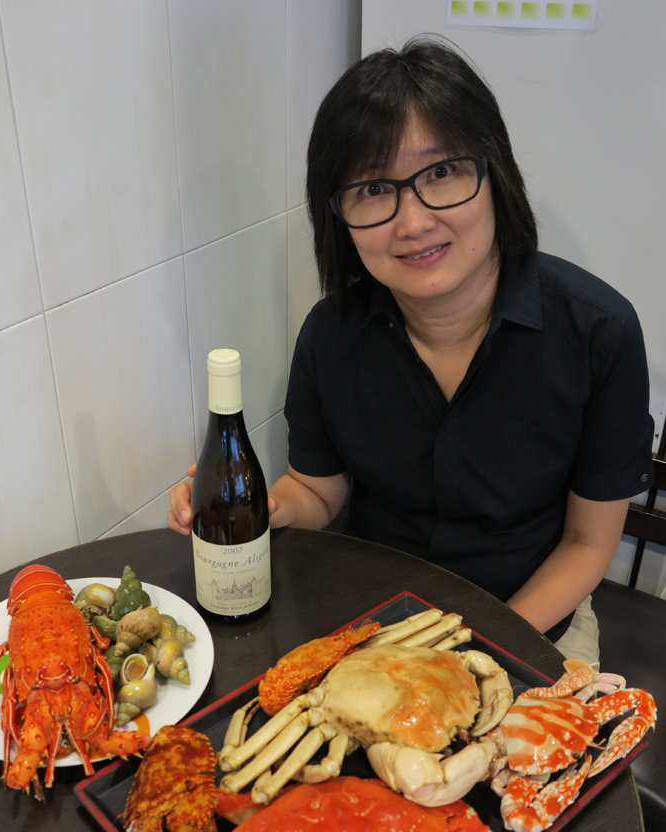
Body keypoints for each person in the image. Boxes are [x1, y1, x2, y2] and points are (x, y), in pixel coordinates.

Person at [169, 36, 654, 662]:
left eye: (441, 173)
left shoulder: (600, 333)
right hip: (370, 628)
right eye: (374, 188)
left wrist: (471, 649)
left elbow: (588, 545)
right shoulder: (331, 335)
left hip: (531, 623)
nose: (413, 221)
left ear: (495, 174)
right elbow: (318, 493)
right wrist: (256, 508)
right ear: (338, 216)